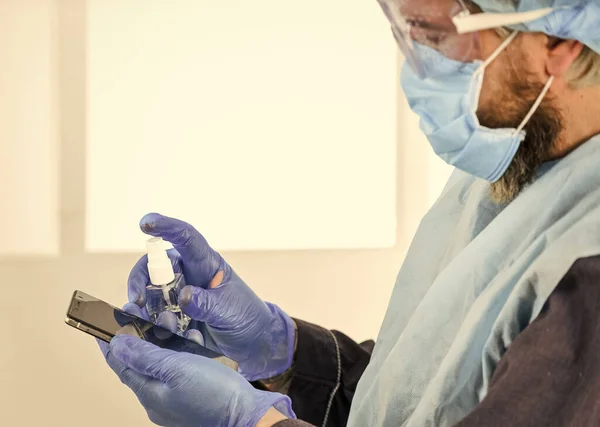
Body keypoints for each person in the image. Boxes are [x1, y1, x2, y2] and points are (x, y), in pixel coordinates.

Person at [98, 0, 600, 426]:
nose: (415, 70)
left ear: (559, 43)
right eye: (404, 30)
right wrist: (282, 353)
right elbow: (423, 398)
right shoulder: (507, 157)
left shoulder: (588, 267)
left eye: (433, 34)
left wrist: (250, 421)